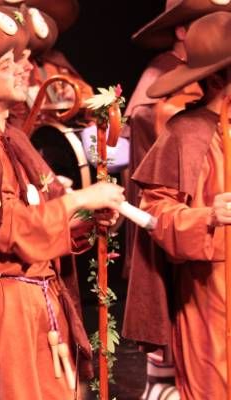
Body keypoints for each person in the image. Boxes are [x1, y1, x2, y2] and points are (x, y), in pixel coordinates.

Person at [0, 10, 125, 399]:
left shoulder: (14, 137)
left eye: (23, 60)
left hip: (43, 302)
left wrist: (88, 221)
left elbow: (45, 214)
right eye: (9, 64)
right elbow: (1, 229)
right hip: (11, 308)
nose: (25, 69)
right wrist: (78, 199)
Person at [122, 2, 231, 399]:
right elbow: (155, 212)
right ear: (221, 78)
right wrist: (207, 216)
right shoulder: (186, 133)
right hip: (210, 298)